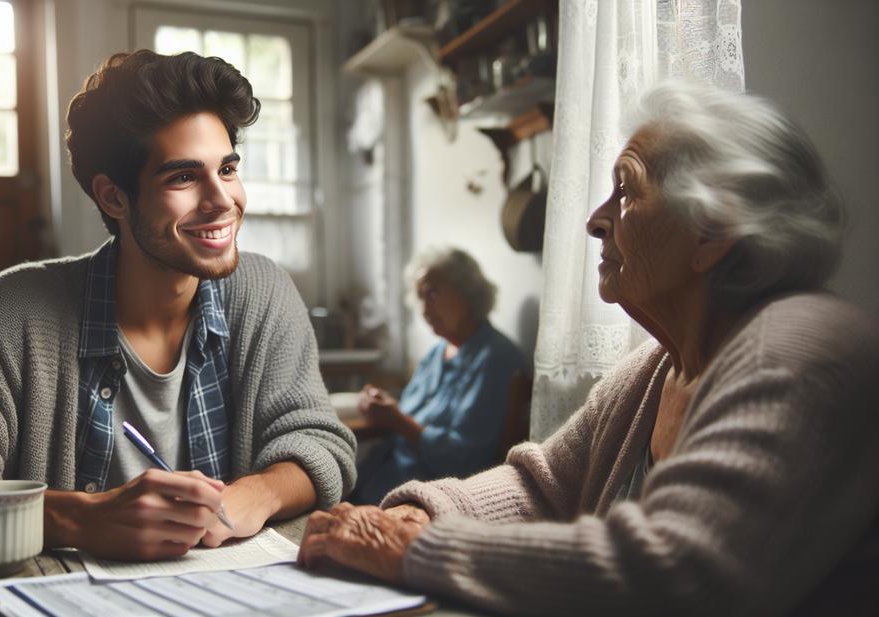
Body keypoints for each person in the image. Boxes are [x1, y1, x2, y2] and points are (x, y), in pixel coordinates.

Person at [298, 81, 879, 615]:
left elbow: (677, 571)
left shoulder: (803, 348)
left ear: (714, 228)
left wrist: (417, 546)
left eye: (625, 191)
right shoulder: (654, 368)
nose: (596, 221)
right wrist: (424, 511)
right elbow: (540, 484)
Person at [0, 50, 356, 561]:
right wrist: (80, 516)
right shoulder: (9, 313)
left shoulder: (264, 292)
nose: (222, 200)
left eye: (228, 168)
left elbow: (320, 441)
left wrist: (253, 495)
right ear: (113, 198)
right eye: (183, 178)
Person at [350, 248, 526, 505]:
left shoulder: (496, 358)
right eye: (420, 298)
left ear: (468, 292)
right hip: (381, 478)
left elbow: (466, 460)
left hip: (426, 497)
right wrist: (383, 406)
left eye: (432, 294)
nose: (424, 310)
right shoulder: (436, 354)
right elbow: (413, 411)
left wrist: (397, 420)